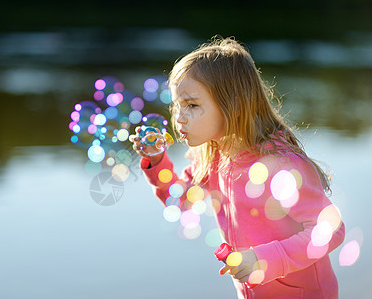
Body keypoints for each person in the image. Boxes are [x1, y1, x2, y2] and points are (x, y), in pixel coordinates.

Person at [129, 37, 345, 298]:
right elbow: (180, 199)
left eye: (192, 105)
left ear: (232, 104)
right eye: (177, 105)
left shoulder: (281, 164)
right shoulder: (212, 156)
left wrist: (264, 259)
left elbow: (330, 230)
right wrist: (156, 160)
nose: (179, 117)